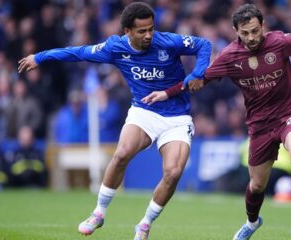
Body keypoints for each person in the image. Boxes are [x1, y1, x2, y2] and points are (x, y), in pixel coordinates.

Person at [142, 4, 291, 239]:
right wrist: (166, 93)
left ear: (262, 26)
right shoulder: (229, 56)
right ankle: (252, 222)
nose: (251, 37)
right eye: (245, 33)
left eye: (255, 31)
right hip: (259, 126)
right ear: (235, 31)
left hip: (289, 113)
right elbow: (202, 78)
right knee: (256, 185)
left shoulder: (280, 42)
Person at [18, 2, 211, 240]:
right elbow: (77, 52)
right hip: (144, 111)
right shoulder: (114, 48)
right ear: (127, 31)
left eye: (151, 28)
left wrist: (197, 73)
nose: (149, 35)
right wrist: (40, 57)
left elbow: (204, 44)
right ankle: (99, 213)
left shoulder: (167, 41)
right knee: (121, 154)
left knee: (173, 173)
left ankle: (145, 223)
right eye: (142, 31)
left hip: (177, 117)